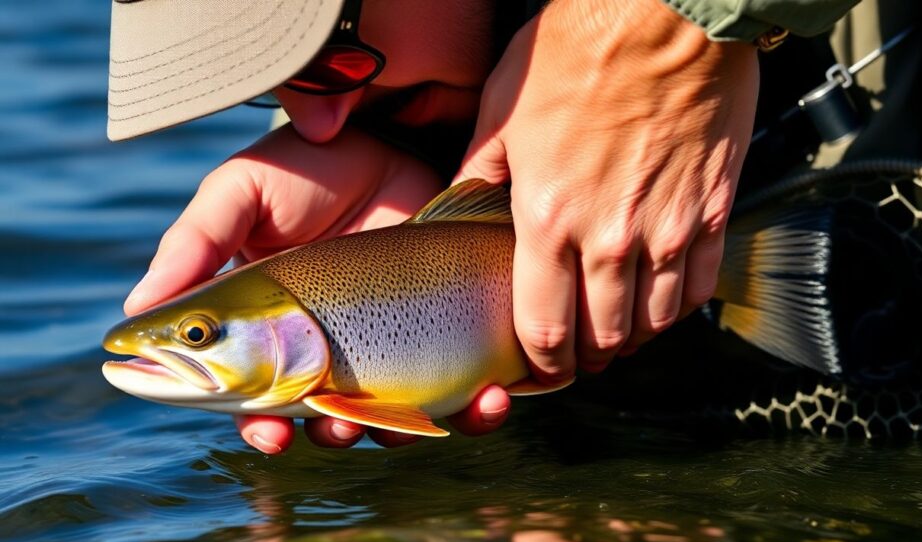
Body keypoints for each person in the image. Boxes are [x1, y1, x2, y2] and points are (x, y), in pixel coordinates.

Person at [108, 0, 856, 453]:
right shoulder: (350, 124)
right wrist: (415, 151)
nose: (316, 121)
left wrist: (672, 27)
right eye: (270, 80)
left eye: (328, 46)